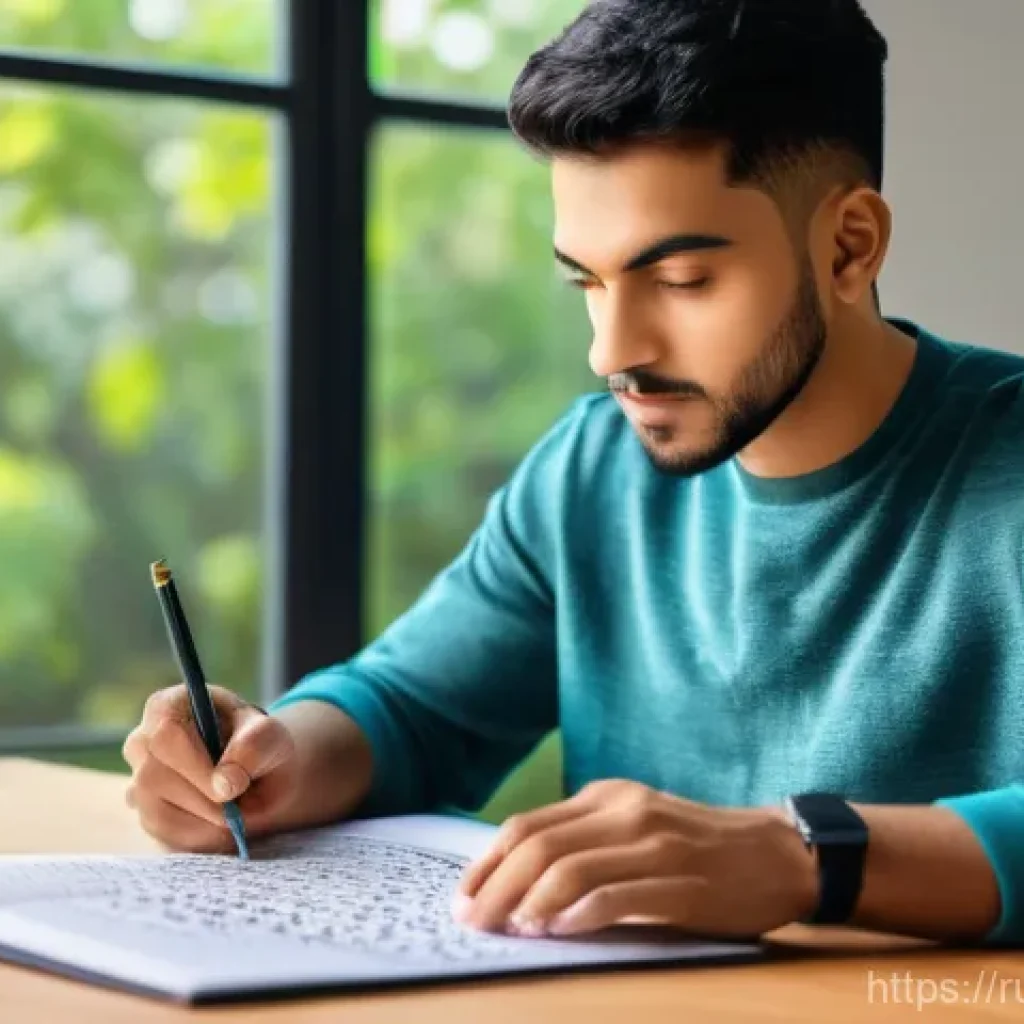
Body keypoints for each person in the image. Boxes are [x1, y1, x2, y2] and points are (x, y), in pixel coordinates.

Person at [122, 0, 1023, 947]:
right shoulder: (593, 469)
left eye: (681, 283)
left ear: (850, 246)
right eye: (587, 282)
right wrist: (271, 761)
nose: (611, 350)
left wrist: (799, 856)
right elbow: (411, 708)